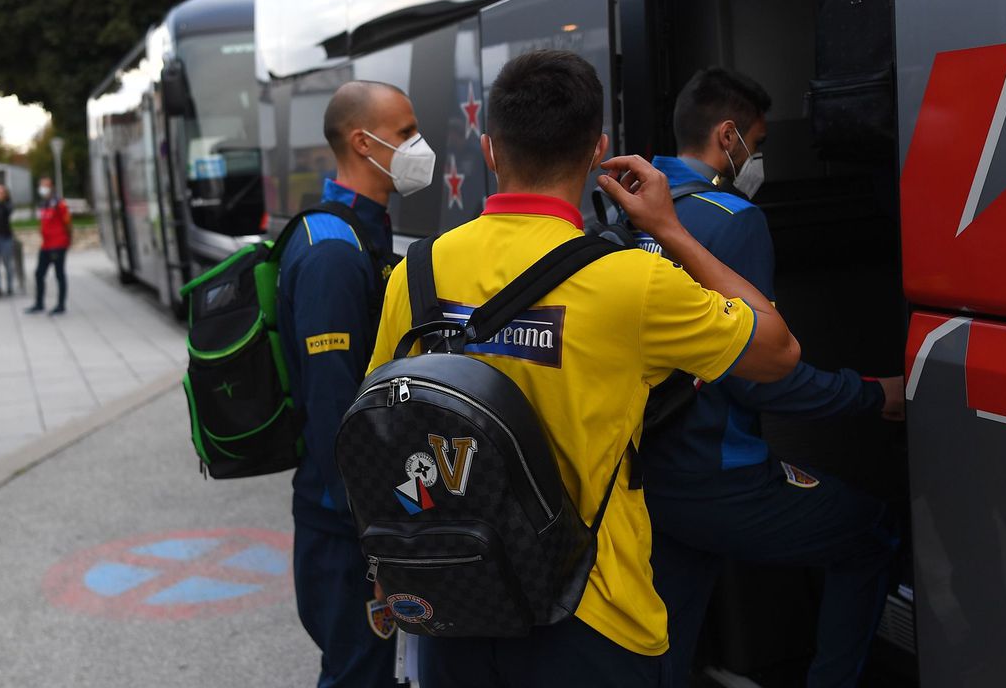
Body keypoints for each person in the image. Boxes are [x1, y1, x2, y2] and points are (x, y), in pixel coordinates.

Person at [367, 50, 801, 688]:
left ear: (490, 151)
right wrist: (672, 229)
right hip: (592, 615)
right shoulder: (634, 282)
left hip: (455, 601)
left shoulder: (418, 272)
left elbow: (381, 430)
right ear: (598, 152)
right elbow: (778, 351)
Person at [642, 67, 903, 688]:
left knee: (666, 640)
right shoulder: (732, 218)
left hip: (647, 474)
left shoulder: (629, 207)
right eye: (755, 144)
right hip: (720, 473)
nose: (756, 159)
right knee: (870, 534)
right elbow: (764, 374)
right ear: (727, 135)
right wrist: (873, 396)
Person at [277, 80, 433, 688]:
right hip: (344, 524)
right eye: (404, 133)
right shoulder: (333, 254)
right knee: (357, 674)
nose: (419, 145)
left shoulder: (352, 233)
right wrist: (372, 533)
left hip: (352, 514)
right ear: (361, 142)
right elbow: (333, 407)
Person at [25, 177, 70, 315]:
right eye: (41, 185)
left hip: (58, 244)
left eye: (46, 185)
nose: (43, 188)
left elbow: (67, 222)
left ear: (52, 187)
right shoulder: (44, 204)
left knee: (59, 274)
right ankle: (39, 303)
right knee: (39, 274)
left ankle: (61, 305)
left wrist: (67, 240)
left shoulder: (59, 203)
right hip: (46, 245)